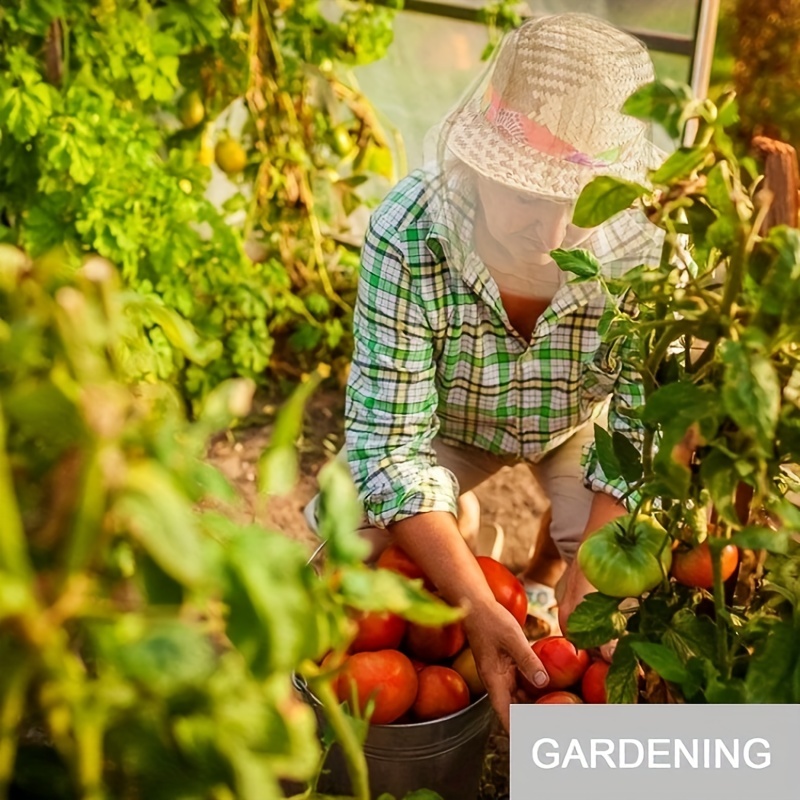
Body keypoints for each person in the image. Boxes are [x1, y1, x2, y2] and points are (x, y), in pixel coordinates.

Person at [308, 12, 666, 729]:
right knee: (346, 529)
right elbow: (388, 446)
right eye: (532, 200)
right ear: (476, 165)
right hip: (449, 426)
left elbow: (643, 428)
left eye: (582, 207)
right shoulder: (410, 233)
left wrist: (594, 572)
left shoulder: (643, 247)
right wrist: (471, 602)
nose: (557, 236)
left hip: (574, 426)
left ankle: (537, 576)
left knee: (631, 580)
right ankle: (458, 524)